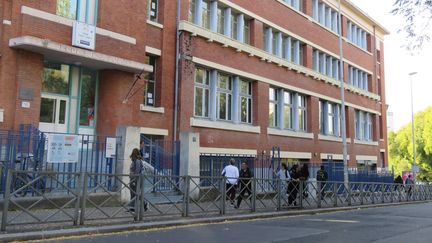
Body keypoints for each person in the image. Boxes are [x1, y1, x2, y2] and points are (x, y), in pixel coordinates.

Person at [129, 148, 143, 212]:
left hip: (135, 180)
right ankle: (132, 207)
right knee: (133, 193)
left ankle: (144, 203)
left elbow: (137, 171)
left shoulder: (137, 161)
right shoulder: (134, 160)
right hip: (133, 179)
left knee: (135, 193)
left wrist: (134, 180)